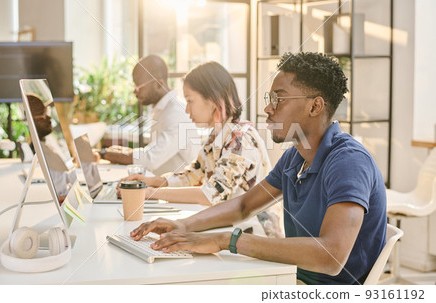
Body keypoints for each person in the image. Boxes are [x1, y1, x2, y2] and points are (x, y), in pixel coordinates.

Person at [128, 52, 387, 285]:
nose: (267, 108)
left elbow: (331, 257)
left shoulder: (349, 162)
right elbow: (243, 206)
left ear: (315, 106)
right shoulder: (295, 158)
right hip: (291, 275)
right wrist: (183, 225)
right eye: (269, 98)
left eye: (279, 99)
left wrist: (227, 240)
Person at [120, 61, 283, 238]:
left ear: (213, 99)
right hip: (228, 231)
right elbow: (193, 175)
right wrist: (151, 181)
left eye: (190, 101)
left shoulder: (240, 139)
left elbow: (210, 194)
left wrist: (151, 193)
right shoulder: (217, 135)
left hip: (254, 236)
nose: (187, 109)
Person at [103, 55, 199, 175]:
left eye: (139, 86)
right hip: (162, 185)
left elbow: (151, 159)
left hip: (177, 189)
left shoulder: (176, 113)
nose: (135, 91)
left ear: (158, 84)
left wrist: (105, 154)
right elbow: (153, 151)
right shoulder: (162, 110)